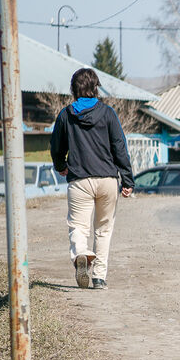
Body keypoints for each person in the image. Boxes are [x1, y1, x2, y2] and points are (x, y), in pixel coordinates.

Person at [50, 67, 134, 290]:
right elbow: (119, 147)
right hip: (107, 179)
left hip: (79, 180)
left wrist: (60, 165)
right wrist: (127, 180)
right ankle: (98, 277)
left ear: (73, 90)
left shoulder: (66, 115)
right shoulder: (108, 113)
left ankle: (81, 253)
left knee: (78, 226)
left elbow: (56, 146)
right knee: (103, 229)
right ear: (96, 88)